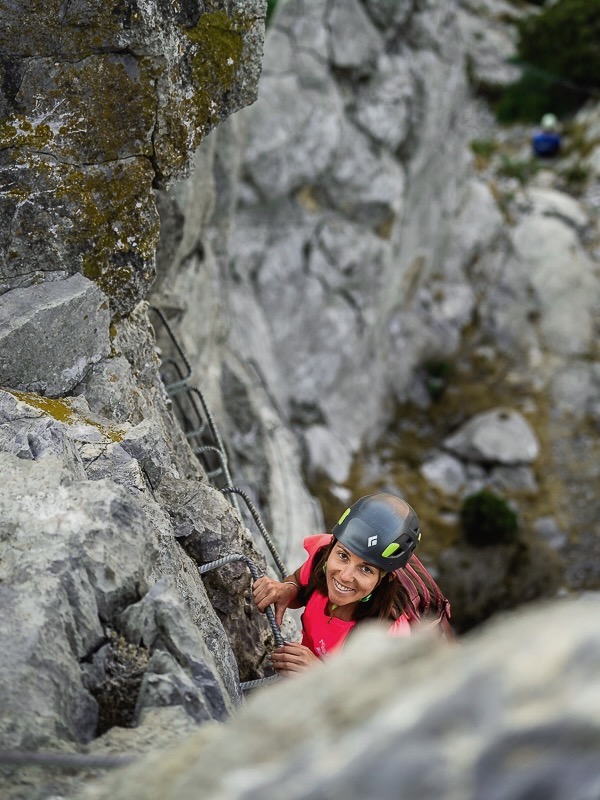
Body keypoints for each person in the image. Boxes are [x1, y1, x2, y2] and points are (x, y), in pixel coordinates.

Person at [252, 492, 453, 676]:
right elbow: (300, 583)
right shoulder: (324, 555)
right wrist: (288, 589)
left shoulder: (387, 637)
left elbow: (376, 705)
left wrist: (319, 676)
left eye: (366, 569)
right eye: (343, 556)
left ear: (385, 579)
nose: (345, 575)